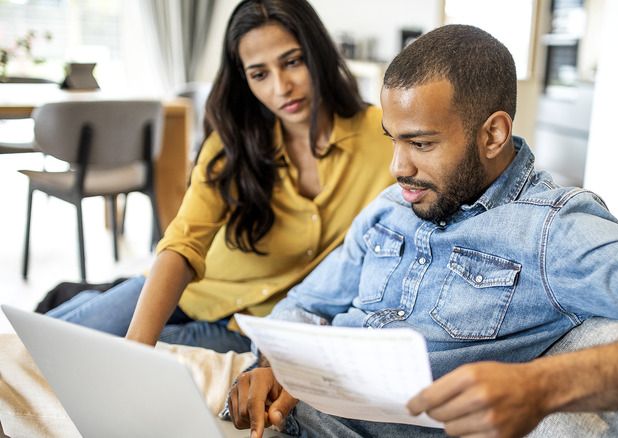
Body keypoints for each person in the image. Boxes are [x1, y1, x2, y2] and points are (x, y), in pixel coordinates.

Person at [225, 24, 618, 437]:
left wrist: (542, 386)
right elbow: (304, 305)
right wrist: (267, 365)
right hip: (288, 416)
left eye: (421, 143)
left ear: (493, 135)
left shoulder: (552, 231)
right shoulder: (392, 208)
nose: (397, 167)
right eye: (393, 139)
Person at [44, 0, 395, 353]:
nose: (281, 87)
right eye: (259, 74)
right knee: (43, 345)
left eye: (293, 62)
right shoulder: (233, 142)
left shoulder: (386, 137)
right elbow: (183, 242)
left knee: (90, 355)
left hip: (253, 325)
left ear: (318, 53)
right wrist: (137, 346)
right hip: (189, 290)